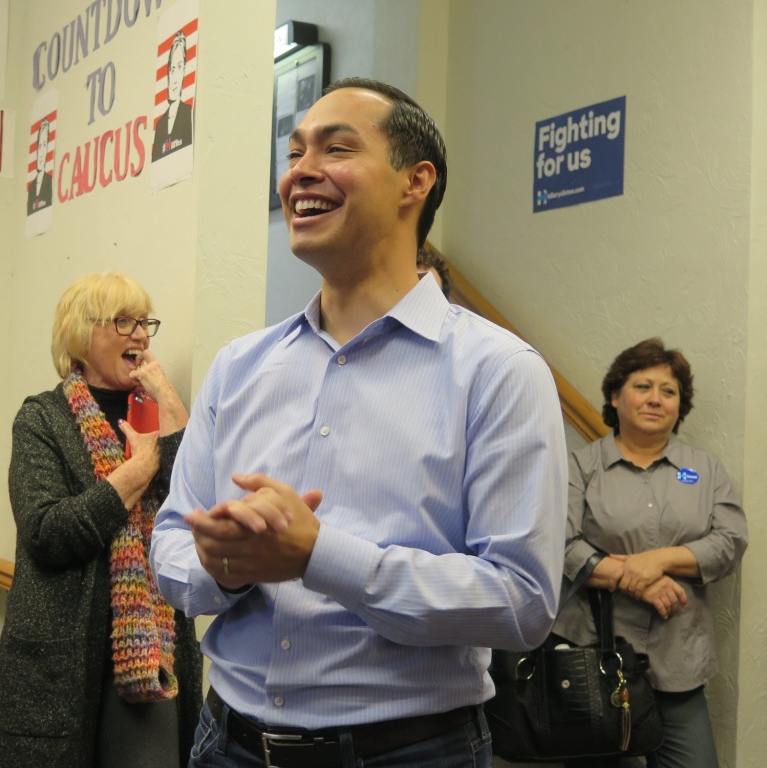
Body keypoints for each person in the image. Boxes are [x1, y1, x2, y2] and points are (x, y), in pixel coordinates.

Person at [151, 77, 567, 768]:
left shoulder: (498, 370)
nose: (301, 172)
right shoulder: (239, 365)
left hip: (411, 753)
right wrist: (222, 567)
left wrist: (321, 557)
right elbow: (170, 540)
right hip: (226, 744)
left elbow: (521, 603)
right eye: (294, 153)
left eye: (336, 148)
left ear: (416, 182)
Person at [0, 272, 202, 767]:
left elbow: (198, 501)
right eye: (123, 322)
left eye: (144, 323)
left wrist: (166, 397)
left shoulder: (159, 414)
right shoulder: (41, 418)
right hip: (62, 656)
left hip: (150, 646)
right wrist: (136, 473)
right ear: (81, 337)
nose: (140, 336)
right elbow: (46, 534)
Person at [552, 338, 747, 768]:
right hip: (593, 657)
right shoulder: (579, 467)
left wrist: (655, 561)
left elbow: (730, 541)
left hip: (680, 657)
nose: (656, 399)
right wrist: (637, 581)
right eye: (643, 387)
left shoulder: (707, 468)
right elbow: (559, 545)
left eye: (669, 391)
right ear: (614, 396)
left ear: (681, 405)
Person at [151, 30, 194, 161]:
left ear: (185, 71)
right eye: (172, 69)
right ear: (168, 73)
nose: (175, 78)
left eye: (179, 67)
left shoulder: (188, 114)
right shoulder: (160, 125)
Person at [27, 118, 54, 215]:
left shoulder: (51, 182)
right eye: (39, 146)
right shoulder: (31, 188)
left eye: (44, 145)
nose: (41, 153)